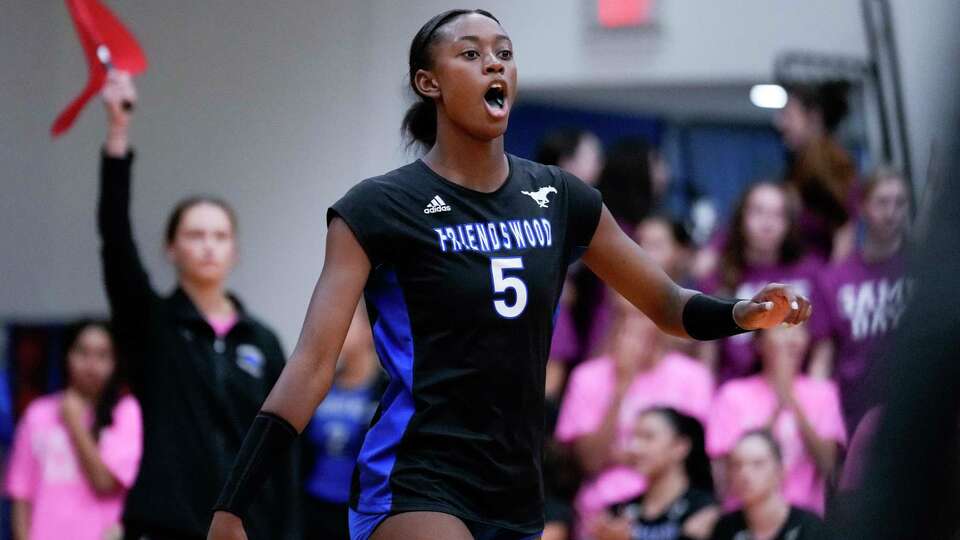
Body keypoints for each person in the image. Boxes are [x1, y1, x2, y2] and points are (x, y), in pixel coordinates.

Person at [207, 10, 811, 540]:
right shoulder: (379, 208)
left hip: (517, 489)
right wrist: (235, 503)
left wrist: (743, 312)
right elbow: (312, 366)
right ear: (430, 83)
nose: (494, 65)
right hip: (415, 477)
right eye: (471, 55)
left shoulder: (559, 197)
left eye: (504, 54)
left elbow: (668, 305)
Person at [97, 71, 300, 539]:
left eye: (219, 236)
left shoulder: (262, 341)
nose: (208, 246)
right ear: (171, 248)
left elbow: (283, 451)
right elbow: (115, 240)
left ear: (235, 249)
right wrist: (117, 132)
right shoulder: (154, 325)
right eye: (194, 234)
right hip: (165, 527)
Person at [556, 298, 714, 538]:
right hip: (602, 511)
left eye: (640, 316)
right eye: (623, 316)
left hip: (676, 509)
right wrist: (621, 385)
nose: (631, 326)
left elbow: (695, 455)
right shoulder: (588, 377)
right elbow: (589, 462)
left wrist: (623, 455)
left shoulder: (693, 377)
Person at [5, 320, 142, 540]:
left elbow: (105, 482)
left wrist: (74, 423)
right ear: (67, 356)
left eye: (102, 355)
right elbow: (21, 494)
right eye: (83, 352)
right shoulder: (38, 414)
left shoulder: (127, 412)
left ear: (115, 362)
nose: (91, 364)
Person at [808, 168, 912, 430]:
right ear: (863, 207)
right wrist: (818, 417)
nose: (891, 212)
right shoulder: (833, 280)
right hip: (858, 412)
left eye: (900, 202)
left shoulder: (925, 268)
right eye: (882, 202)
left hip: (920, 403)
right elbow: (823, 356)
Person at [707, 325, 845, 515]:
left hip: (803, 521)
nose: (793, 339)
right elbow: (724, 480)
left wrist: (790, 399)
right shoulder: (732, 396)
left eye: (799, 330)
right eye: (782, 329)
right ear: (759, 342)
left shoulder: (823, 394)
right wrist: (777, 408)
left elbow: (828, 466)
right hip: (745, 520)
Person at [698, 182, 826, 383]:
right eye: (758, 212)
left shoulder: (810, 273)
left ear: (789, 223)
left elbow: (822, 345)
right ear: (741, 219)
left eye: (778, 214)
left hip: (797, 392)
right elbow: (708, 350)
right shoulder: (719, 277)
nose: (767, 222)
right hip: (734, 396)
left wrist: (816, 397)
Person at [302, 304, 385, 540]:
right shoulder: (319, 386)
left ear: (370, 331)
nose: (334, 331)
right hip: (312, 508)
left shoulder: (386, 393)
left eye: (346, 323)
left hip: (360, 513)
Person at [590, 407, 719, 540]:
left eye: (648, 437)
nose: (635, 447)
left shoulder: (703, 510)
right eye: (633, 437)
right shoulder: (619, 511)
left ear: (680, 447)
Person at [776, 81, 858, 263]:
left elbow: (843, 230)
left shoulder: (829, 163)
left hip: (820, 280)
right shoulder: (799, 164)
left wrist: (831, 283)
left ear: (813, 118)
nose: (780, 123)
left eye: (788, 116)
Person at [710, 431, 833, 540]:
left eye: (757, 464)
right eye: (737, 465)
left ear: (780, 471)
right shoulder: (725, 528)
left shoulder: (809, 527)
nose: (745, 474)